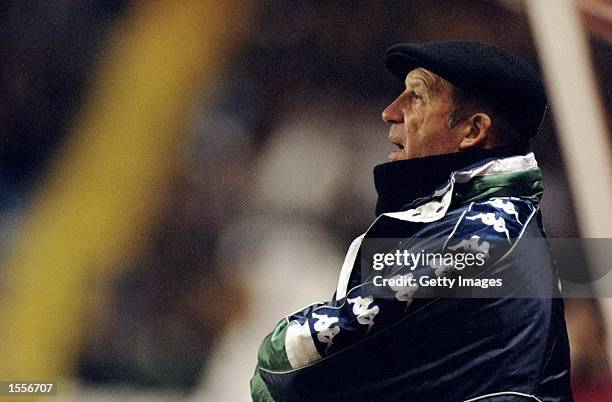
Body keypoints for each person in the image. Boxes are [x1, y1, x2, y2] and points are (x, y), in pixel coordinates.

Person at [250, 41, 573, 401]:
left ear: (472, 130)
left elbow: (289, 359)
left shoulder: (484, 233)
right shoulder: (484, 221)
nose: (390, 112)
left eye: (416, 97)